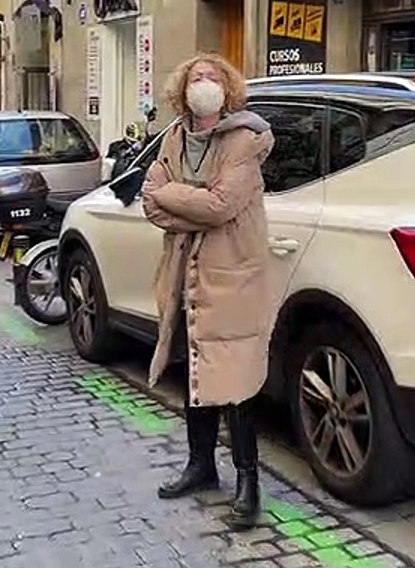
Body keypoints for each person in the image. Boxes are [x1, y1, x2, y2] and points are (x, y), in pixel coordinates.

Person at [140, 53, 275, 530]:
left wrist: (173, 197)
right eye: (195, 77)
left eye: (212, 77)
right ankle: (200, 466)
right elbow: (148, 201)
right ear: (183, 89)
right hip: (183, 273)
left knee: (235, 383)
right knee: (194, 372)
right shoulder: (175, 136)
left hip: (232, 274)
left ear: (227, 88)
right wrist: (182, 201)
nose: (203, 84)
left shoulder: (244, 139)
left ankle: (249, 483)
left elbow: (220, 206)